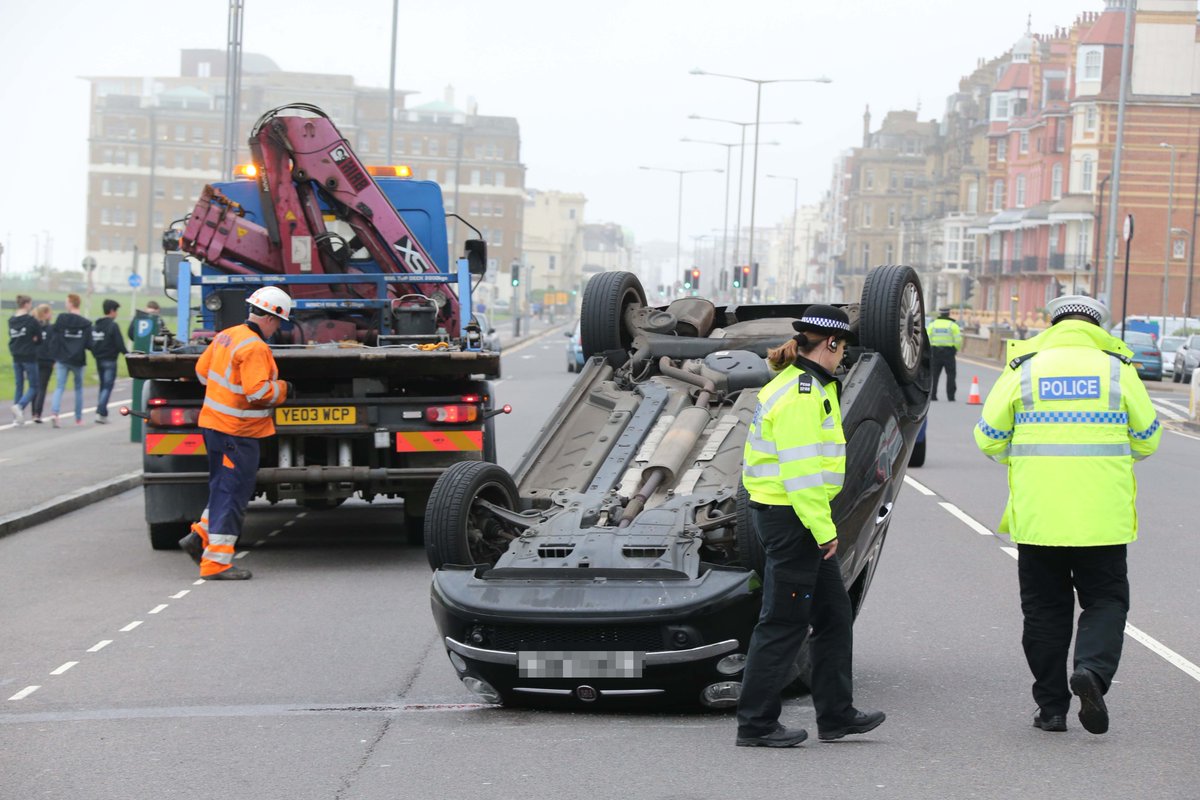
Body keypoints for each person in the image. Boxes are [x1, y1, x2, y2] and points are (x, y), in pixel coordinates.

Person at [974, 295, 1161, 735]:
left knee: (1044, 612)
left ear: (1052, 322)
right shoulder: (1118, 369)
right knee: (1106, 602)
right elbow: (1149, 438)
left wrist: (1026, 460)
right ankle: (1092, 673)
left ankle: (1052, 709)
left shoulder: (1026, 367)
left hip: (1040, 518)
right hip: (1103, 518)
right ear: (1098, 325)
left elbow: (989, 437)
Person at [735, 305, 886, 748]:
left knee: (834, 616)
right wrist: (824, 530)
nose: (844, 358)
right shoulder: (802, 394)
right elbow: (802, 475)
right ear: (831, 344)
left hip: (791, 516)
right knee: (782, 622)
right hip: (795, 520)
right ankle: (757, 724)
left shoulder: (797, 383)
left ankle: (837, 715)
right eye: (842, 350)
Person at [177, 287, 293, 580]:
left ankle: (200, 536)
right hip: (237, 433)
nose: (277, 328)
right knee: (233, 493)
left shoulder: (227, 335)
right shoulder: (254, 347)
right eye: (279, 322)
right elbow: (258, 392)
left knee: (221, 487)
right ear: (270, 318)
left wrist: (226, 392)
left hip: (215, 426)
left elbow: (202, 372)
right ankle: (216, 563)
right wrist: (284, 389)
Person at [48, 293, 92, 428]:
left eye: (67, 302)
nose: (65, 304)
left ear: (72, 303)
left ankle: (55, 413)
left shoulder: (61, 319)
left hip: (62, 358)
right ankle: (78, 418)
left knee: (60, 387)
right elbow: (89, 343)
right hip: (78, 359)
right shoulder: (85, 323)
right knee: (78, 389)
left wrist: (54, 356)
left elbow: (54, 338)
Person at [90, 299, 127, 423]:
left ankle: (103, 413)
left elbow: (92, 343)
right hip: (110, 359)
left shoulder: (97, 325)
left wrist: (95, 353)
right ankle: (100, 411)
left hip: (99, 359)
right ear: (112, 311)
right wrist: (127, 354)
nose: (117, 314)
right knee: (107, 386)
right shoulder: (113, 325)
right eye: (116, 311)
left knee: (102, 386)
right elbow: (119, 343)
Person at [7, 294, 42, 425]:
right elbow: (39, 338)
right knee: (34, 385)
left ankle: (17, 419)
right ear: (26, 304)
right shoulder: (31, 320)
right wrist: (32, 339)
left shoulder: (11, 320)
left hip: (16, 355)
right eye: (30, 303)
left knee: (19, 385)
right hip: (29, 356)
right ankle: (20, 406)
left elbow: (12, 336)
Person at [926, 307, 963, 401]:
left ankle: (933, 396)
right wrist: (955, 349)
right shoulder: (953, 325)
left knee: (934, 375)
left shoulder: (932, 325)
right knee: (951, 375)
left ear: (940, 314)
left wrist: (930, 350)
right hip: (949, 352)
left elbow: (927, 339)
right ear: (948, 314)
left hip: (935, 352)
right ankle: (951, 397)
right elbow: (958, 340)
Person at [30, 304, 55, 423]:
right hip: (47, 360)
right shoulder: (51, 328)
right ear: (45, 313)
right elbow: (54, 344)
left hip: (35, 358)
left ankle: (33, 412)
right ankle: (37, 413)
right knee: (42, 387)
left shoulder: (34, 326)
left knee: (35, 386)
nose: (52, 315)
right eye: (50, 312)